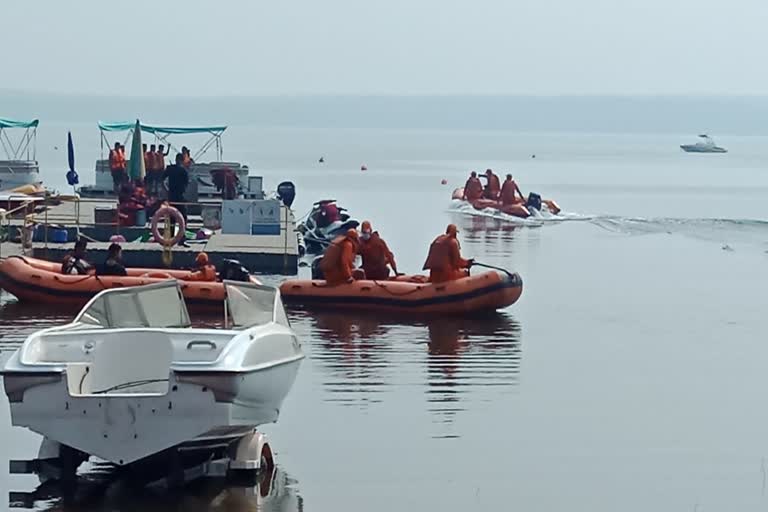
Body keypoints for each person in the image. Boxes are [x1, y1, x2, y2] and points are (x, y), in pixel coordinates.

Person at [163, 153, 190, 225]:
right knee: (183, 216)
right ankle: (182, 233)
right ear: (182, 161)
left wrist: (166, 189)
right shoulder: (183, 171)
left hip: (172, 194)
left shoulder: (170, 168)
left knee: (172, 216)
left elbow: (162, 179)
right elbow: (187, 183)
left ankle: (171, 234)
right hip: (180, 195)